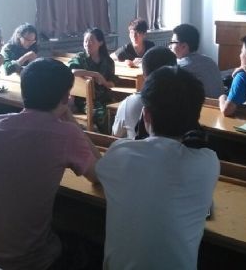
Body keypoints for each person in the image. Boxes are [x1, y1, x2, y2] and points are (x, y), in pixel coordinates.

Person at [0, 58, 102, 269]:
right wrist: (70, 119)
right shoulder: (67, 133)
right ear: (65, 97)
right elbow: (99, 174)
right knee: (84, 241)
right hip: (25, 262)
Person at [96, 66, 219, 269]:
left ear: (145, 115)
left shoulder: (120, 152)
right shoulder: (209, 162)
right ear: (196, 117)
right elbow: (206, 211)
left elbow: (96, 174)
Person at [112, 46, 177, 139]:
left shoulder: (129, 103)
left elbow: (115, 136)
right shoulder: (185, 101)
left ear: (144, 75)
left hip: (136, 148)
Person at [67, 28, 116, 133]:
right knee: (102, 114)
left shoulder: (108, 61)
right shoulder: (80, 58)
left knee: (115, 112)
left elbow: (111, 83)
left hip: (104, 98)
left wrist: (104, 82)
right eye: (85, 41)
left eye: (91, 41)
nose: (87, 44)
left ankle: (111, 137)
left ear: (100, 43)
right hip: (85, 100)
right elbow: (73, 71)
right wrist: (95, 74)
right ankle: (105, 139)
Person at [169, 23, 223, 98]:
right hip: (219, 104)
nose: (170, 46)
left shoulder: (181, 68)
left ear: (184, 46)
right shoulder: (210, 61)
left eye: (173, 42)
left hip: (204, 105)